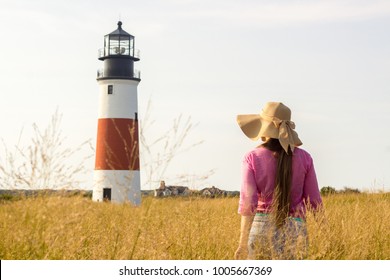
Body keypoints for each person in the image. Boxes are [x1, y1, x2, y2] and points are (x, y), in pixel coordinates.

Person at [234, 102, 323, 260]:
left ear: (263, 127)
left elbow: (248, 203)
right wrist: (326, 231)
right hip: (296, 232)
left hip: (261, 230)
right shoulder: (305, 158)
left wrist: (242, 244)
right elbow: (314, 200)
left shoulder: (252, 157)